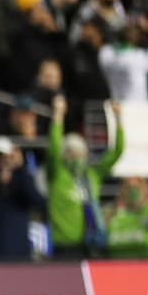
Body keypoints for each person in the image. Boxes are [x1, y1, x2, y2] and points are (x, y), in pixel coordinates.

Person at [47, 96, 124, 259]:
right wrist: (58, 115)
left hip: (92, 244)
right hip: (64, 247)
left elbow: (116, 152)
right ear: (65, 155)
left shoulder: (92, 174)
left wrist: (118, 119)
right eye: (72, 153)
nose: (77, 158)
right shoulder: (57, 174)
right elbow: (53, 147)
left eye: (81, 153)